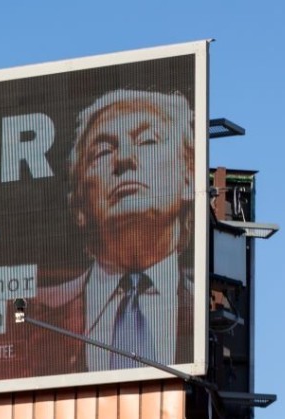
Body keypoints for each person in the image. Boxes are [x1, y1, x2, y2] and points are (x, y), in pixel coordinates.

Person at [27, 89, 195, 374]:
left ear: (189, 178)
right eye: (103, 151)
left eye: (147, 140)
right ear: (78, 206)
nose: (125, 159)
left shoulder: (208, 310)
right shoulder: (32, 319)